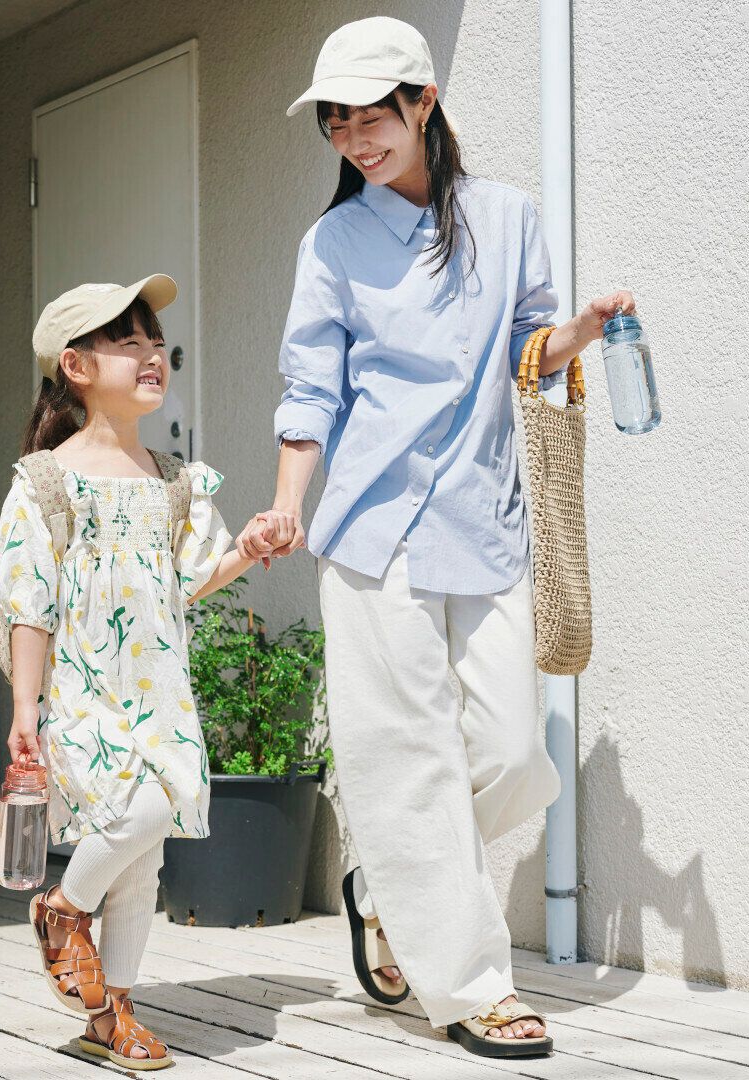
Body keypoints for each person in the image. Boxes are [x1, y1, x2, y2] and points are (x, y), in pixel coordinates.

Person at [241, 17, 638, 1059]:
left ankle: (385, 877)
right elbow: (310, 390)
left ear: (423, 102)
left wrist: (586, 331)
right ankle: (466, 989)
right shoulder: (330, 244)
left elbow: (528, 347)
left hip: (486, 520)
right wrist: (289, 500)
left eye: (373, 115)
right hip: (373, 532)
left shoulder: (506, 218)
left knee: (510, 754)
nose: (354, 137)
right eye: (337, 121)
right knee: (409, 762)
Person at [0, 275, 267, 1070]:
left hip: (161, 693)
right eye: (129, 342)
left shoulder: (173, 480)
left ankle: (110, 1011)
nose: (152, 356)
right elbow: (28, 603)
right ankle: (65, 911)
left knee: (148, 848)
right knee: (137, 817)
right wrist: (24, 708)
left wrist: (243, 550)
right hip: (83, 691)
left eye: (157, 344)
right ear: (76, 367)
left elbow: (188, 578)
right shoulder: (46, 481)